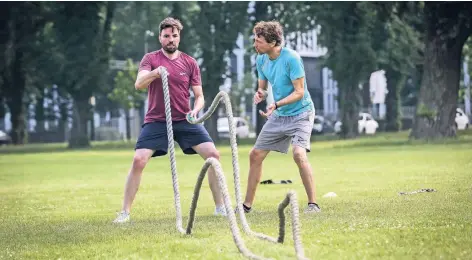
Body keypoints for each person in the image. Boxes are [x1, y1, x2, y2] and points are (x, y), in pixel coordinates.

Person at [113, 17, 226, 224]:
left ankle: (220, 208)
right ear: (160, 38)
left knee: (213, 156)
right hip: (157, 120)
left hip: (184, 119)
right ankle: (124, 213)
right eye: (166, 36)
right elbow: (138, 84)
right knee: (139, 160)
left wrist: (196, 110)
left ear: (179, 37)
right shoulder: (151, 59)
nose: (170, 39)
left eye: (174, 36)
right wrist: (156, 73)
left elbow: (199, 96)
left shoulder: (190, 62)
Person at [241, 20, 321, 214]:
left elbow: (299, 92)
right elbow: (263, 87)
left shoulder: (291, 58)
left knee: (299, 154)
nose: (255, 45)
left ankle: (313, 204)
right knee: (255, 155)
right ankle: (246, 206)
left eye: (258, 41)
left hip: (301, 113)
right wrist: (260, 94)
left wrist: (276, 104)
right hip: (280, 115)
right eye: (255, 40)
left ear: (272, 42)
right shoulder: (261, 59)